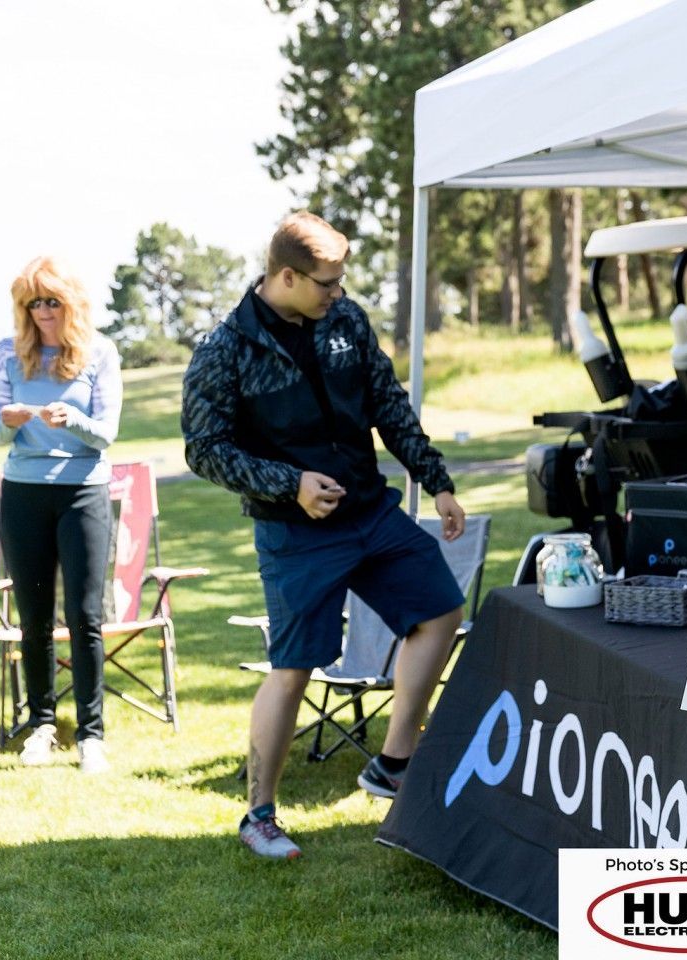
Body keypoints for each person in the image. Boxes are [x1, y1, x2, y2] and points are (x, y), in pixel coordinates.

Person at [182, 211, 466, 860]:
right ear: (286, 276)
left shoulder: (346, 320)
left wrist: (437, 479)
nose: (338, 291)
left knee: (440, 608)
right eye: (327, 282)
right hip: (295, 534)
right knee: (293, 670)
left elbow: (387, 402)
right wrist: (290, 483)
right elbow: (204, 450)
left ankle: (393, 763)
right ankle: (259, 815)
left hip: (371, 513)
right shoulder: (223, 349)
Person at [0, 256, 121, 774]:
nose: (42, 311)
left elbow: (107, 432)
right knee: (34, 617)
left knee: (86, 617)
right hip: (23, 492)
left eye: (52, 301)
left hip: (83, 492)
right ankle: (41, 724)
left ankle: (91, 735)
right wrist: (11, 419)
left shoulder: (99, 352)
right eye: (33, 303)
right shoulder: (8, 354)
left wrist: (77, 420)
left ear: (72, 303)